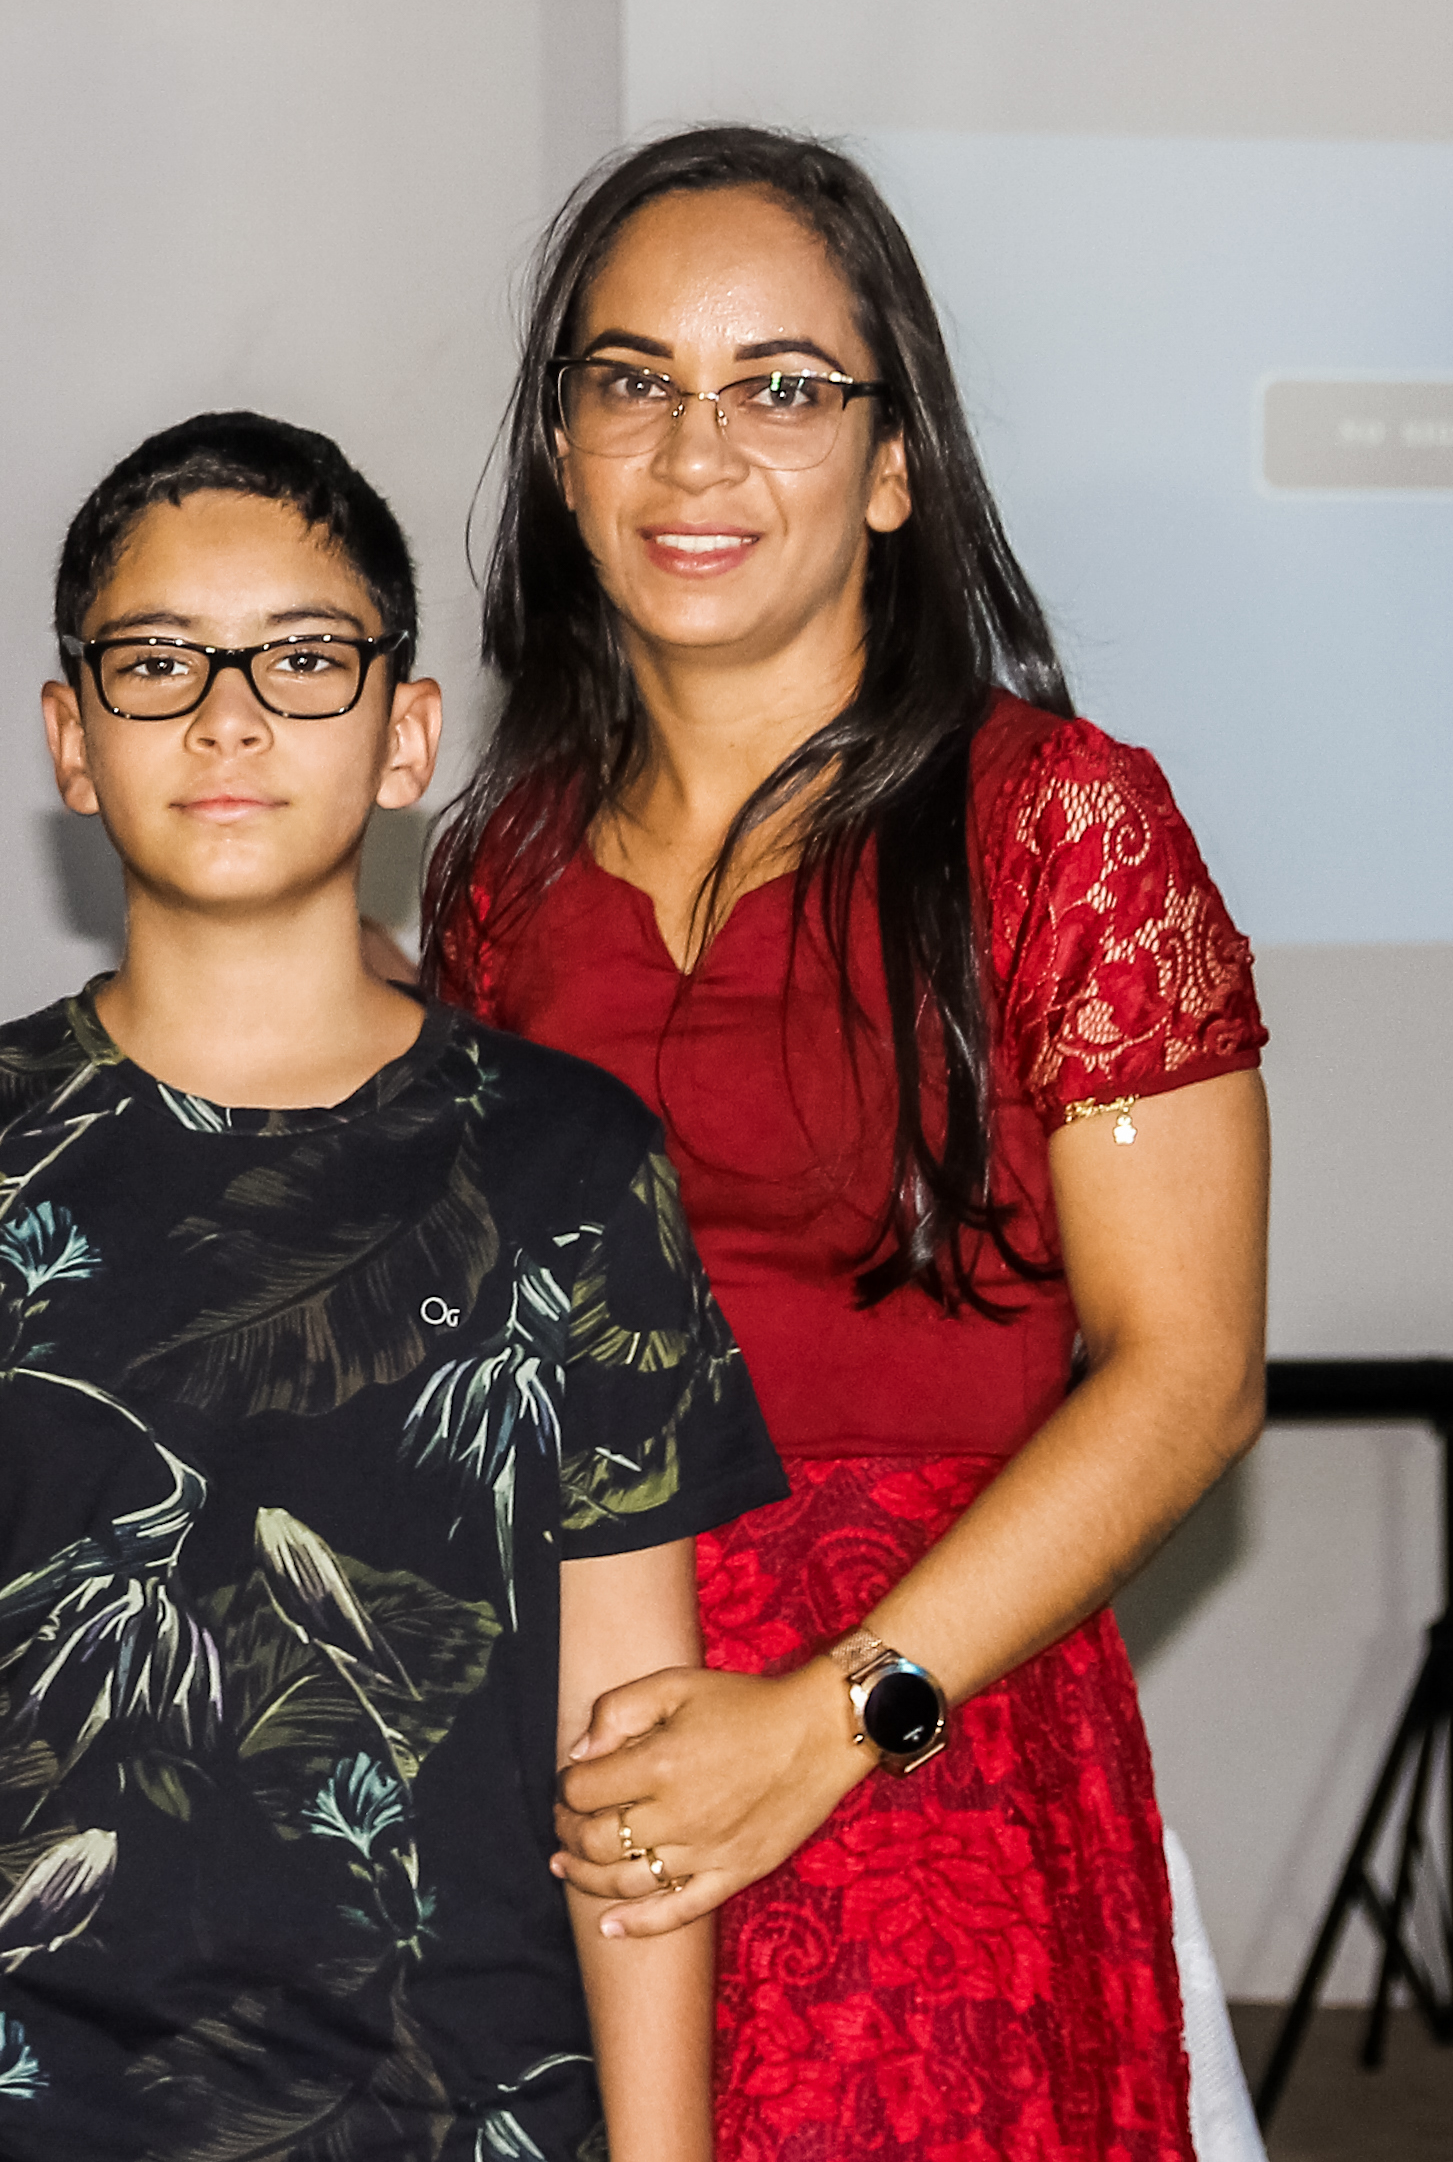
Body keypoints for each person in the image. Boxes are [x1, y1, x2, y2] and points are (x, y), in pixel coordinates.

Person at [0, 413, 788, 2162]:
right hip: (16, 2113)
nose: (228, 716)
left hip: (456, 2098)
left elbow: (626, 1748)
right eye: (157, 662)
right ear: (71, 738)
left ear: (406, 735)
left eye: (303, 659)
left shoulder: (565, 1164)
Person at [424, 126, 1271, 2158]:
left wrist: (828, 1722)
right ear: (559, 451)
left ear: (892, 467)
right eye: (632, 383)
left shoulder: (1056, 824)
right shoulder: (498, 873)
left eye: (779, 389)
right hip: (567, 1763)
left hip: (920, 1760)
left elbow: (1189, 1373)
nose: (694, 453)